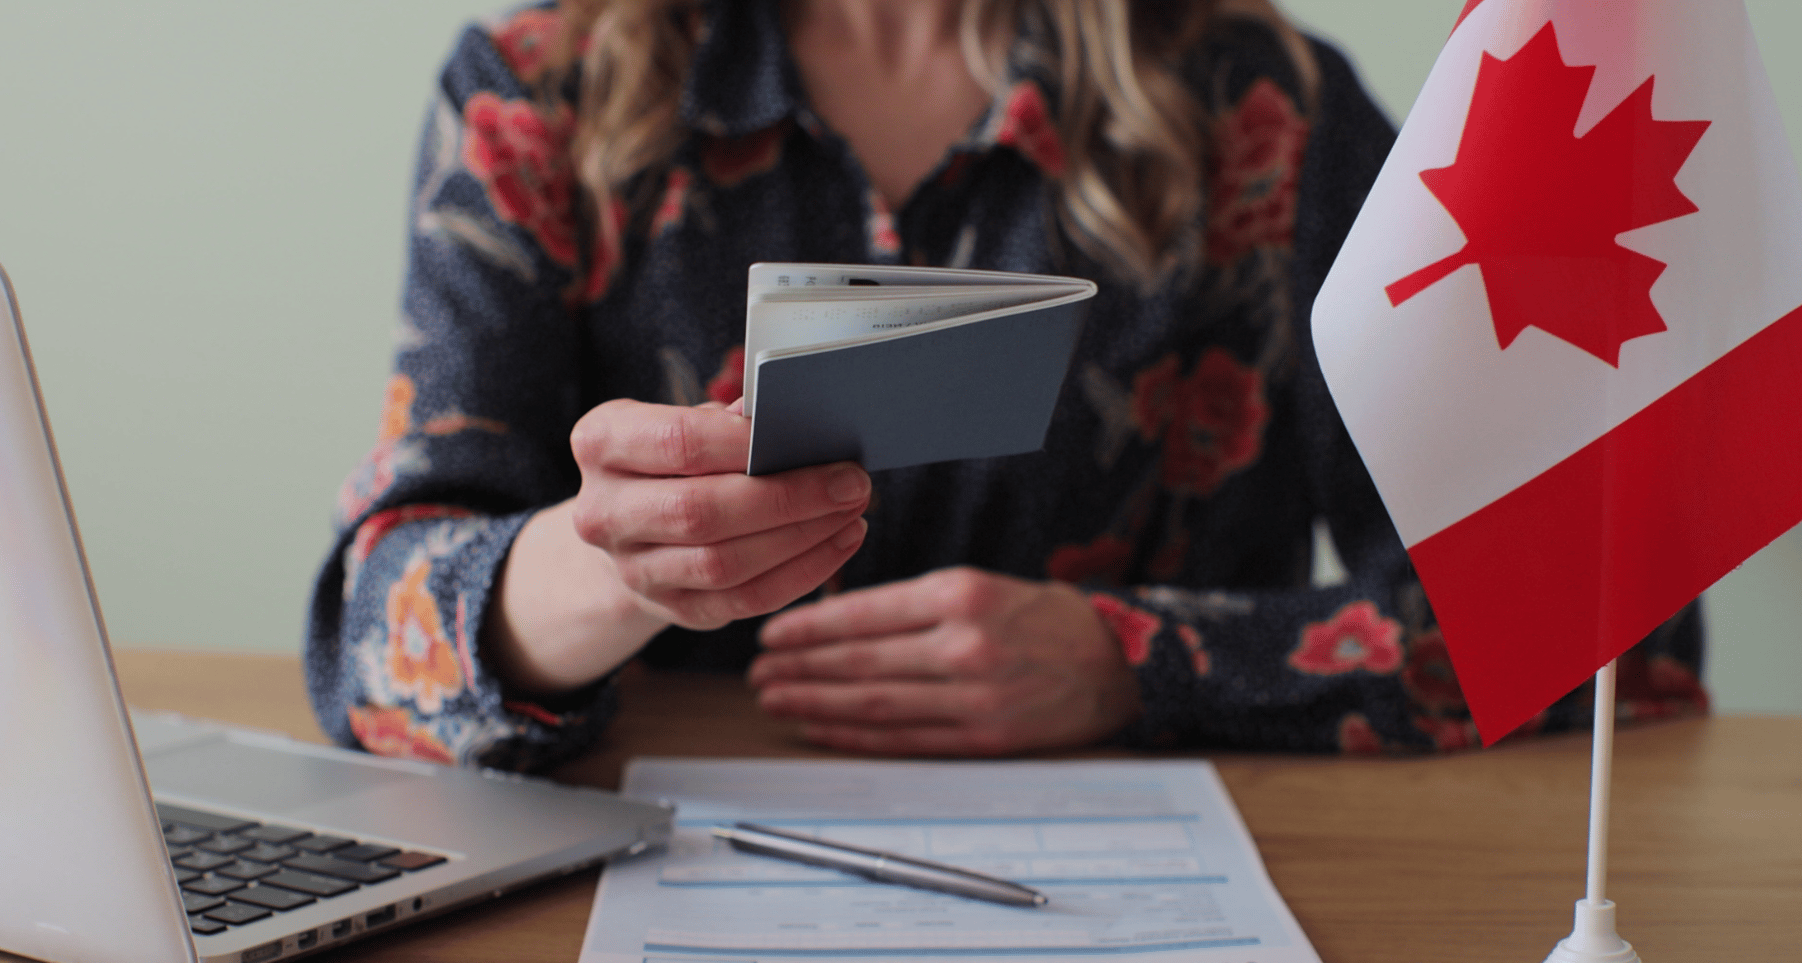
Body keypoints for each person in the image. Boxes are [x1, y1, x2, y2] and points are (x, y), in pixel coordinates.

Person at [305, 0, 1708, 772]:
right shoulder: (538, 93)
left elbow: (1611, 624)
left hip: (1185, 894)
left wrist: (1136, 662)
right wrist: (611, 570)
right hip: (661, 878)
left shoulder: (1262, 105)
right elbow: (369, 640)